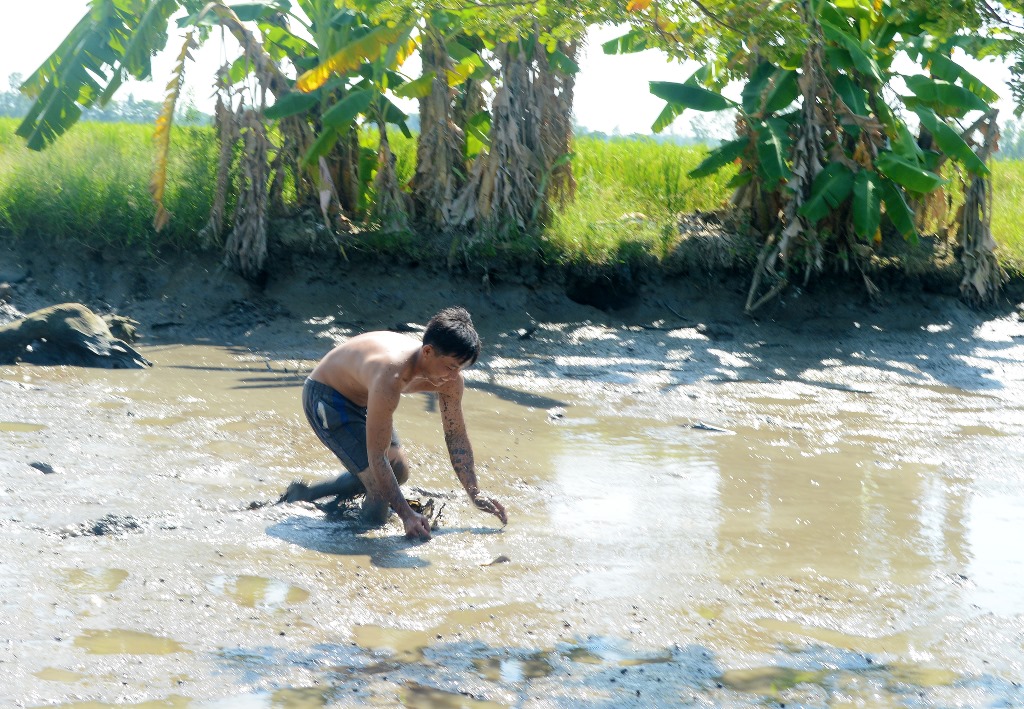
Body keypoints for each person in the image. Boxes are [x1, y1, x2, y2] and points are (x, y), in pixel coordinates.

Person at [280, 306, 507, 540]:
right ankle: (362, 541)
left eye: (460, 368)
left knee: (398, 471)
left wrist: (474, 493)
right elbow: (377, 456)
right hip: (327, 396)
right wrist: (406, 515)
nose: (453, 376)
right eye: (450, 366)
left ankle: (307, 495)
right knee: (380, 490)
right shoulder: (392, 375)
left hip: (366, 396)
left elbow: (455, 435)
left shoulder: (450, 381)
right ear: (428, 352)